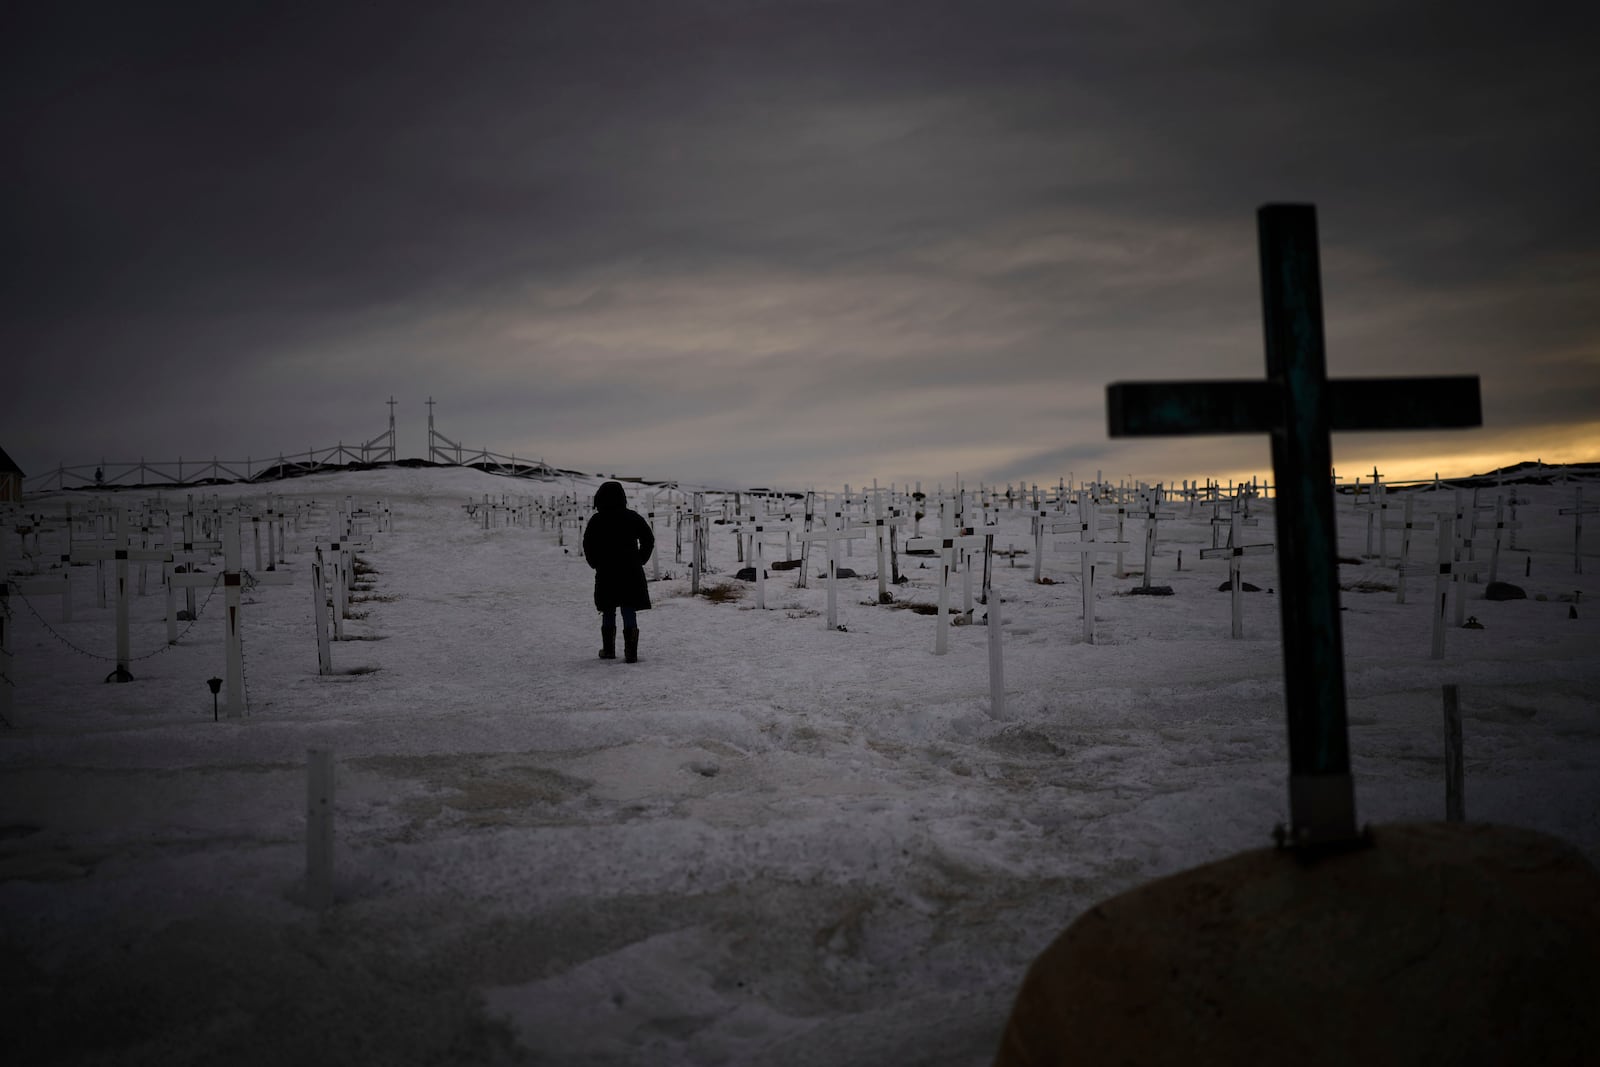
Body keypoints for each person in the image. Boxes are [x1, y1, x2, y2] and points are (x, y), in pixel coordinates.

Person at [582, 480, 655, 662]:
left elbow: (588, 544)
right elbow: (648, 538)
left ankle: (608, 650)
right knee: (628, 607)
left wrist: (595, 563)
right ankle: (631, 653)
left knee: (608, 609)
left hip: (607, 571)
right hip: (630, 570)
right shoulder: (632, 517)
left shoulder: (597, 520)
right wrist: (640, 559)